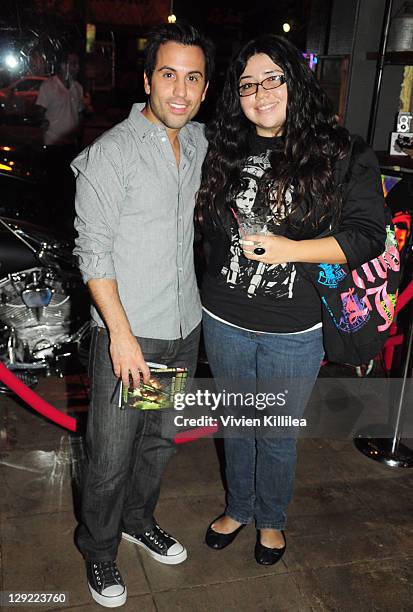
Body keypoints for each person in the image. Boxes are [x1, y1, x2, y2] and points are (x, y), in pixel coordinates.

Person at [196, 35, 386, 566]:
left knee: (275, 432)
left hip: (294, 326)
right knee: (237, 424)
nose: (259, 92)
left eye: (272, 78)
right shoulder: (224, 147)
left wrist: (291, 248)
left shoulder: (339, 151)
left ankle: (272, 518)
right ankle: (239, 506)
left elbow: (368, 234)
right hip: (224, 316)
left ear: (294, 82)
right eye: (247, 83)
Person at [72, 22, 213, 608]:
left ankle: (137, 520)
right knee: (108, 457)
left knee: (156, 443)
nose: (179, 91)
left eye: (192, 78)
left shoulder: (201, 143)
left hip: (182, 330)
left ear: (204, 88)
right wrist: (121, 338)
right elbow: (92, 251)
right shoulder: (111, 154)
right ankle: (99, 552)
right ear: (148, 79)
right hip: (130, 342)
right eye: (168, 75)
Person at [36, 51, 87, 234]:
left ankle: (65, 225)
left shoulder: (77, 88)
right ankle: (50, 225)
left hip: (70, 146)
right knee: (54, 187)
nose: (76, 68)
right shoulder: (48, 86)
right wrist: (42, 123)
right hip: (53, 144)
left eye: (77, 64)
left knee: (69, 189)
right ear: (63, 65)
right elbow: (40, 111)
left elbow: (79, 114)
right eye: (72, 64)